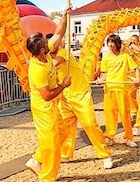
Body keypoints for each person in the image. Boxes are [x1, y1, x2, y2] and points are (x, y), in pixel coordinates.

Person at [48, 34, 113, 169]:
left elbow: (54, 63)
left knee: (89, 124)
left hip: (80, 94)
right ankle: (66, 153)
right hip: (65, 96)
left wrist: (38, 65)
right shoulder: (47, 58)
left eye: (54, 42)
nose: (52, 45)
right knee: (65, 126)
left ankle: (105, 154)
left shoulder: (63, 52)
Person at [24, 31, 71, 182]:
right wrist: (63, 85)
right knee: (51, 144)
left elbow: (58, 33)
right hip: (43, 109)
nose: (50, 43)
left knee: (64, 131)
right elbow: (46, 95)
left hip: (52, 106)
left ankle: (36, 160)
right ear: (42, 50)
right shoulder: (36, 69)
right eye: (46, 43)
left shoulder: (45, 53)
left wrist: (65, 15)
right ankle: (46, 179)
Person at [99, 34, 139, 148]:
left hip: (122, 90)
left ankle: (128, 137)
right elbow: (105, 73)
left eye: (113, 42)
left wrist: (137, 79)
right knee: (110, 114)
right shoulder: (106, 57)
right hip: (109, 89)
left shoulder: (125, 57)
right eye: (109, 42)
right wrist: (101, 80)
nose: (111, 45)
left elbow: (136, 69)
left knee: (125, 114)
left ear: (118, 44)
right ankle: (110, 136)